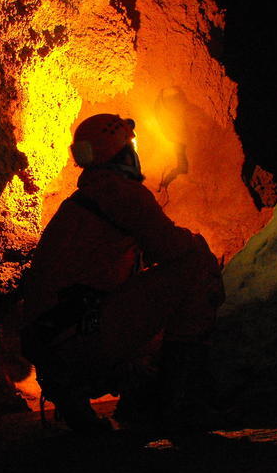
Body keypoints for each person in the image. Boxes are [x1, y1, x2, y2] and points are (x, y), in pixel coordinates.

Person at [20, 113, 225, 433]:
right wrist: (195, 240)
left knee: (146, 296)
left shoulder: (84, 200)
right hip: (82, 340)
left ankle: (131, 395)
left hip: (53, 345)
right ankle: (181, 404)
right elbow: (171, 249)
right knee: (197, 265)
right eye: (131, 146)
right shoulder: (120, 193)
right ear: (121, 151)